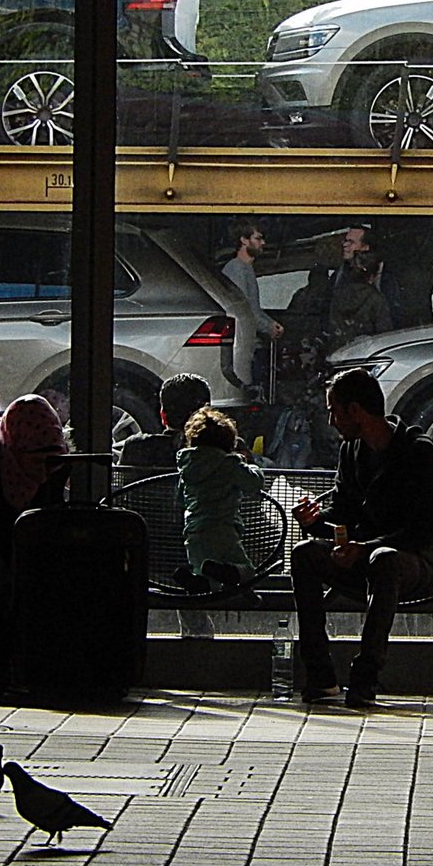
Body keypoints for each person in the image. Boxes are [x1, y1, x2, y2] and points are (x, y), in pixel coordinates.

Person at [289, 367, 433, 707]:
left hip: (415, 560)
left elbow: (421, 531)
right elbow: (343, 515)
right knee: (305, 552)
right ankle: (320, 674)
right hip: (365, 556)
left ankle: (365, 678)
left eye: (333, 411)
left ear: (355, 411)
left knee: (384, 559)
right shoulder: (351, 452)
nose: (331, 421)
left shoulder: (418, 453)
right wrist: (315, 523)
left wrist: (365, 548)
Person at [115, 372, 222, 638]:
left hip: (146, 555)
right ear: (207, 413)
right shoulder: (223, 453)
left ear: (163, 415)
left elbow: (121, 497)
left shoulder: (135, 448)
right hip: (205, 557)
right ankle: (198, 636)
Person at [173, 406, 263, 592]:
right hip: (223, 529)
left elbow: (180, 501)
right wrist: (248, 465)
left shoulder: (187, 469)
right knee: (247, 570)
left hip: (194, 532)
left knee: (204, 573)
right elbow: (254, 483)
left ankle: (198, 580)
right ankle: (227, 573)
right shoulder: (228, 465)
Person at [221, 221, 283, 391]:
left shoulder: (246, 268)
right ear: (244, 240)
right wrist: (267, 326)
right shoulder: (236, 269)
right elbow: (245, 310)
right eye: (258, 238)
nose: (262, 243)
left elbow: (253, 307)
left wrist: (269, 323)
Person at [335, 224, 405, 328]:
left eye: (351, 242)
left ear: (366, 247)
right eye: (345, 241)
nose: (345, 245)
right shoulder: (337, 275)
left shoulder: (385, 277)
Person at [326, 249, 393, 351]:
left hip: (340, 352)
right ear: (372, 276)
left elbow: (331, 326)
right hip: (368, 353)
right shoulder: (376, 299)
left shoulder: (337, 295)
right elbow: (385, 334)